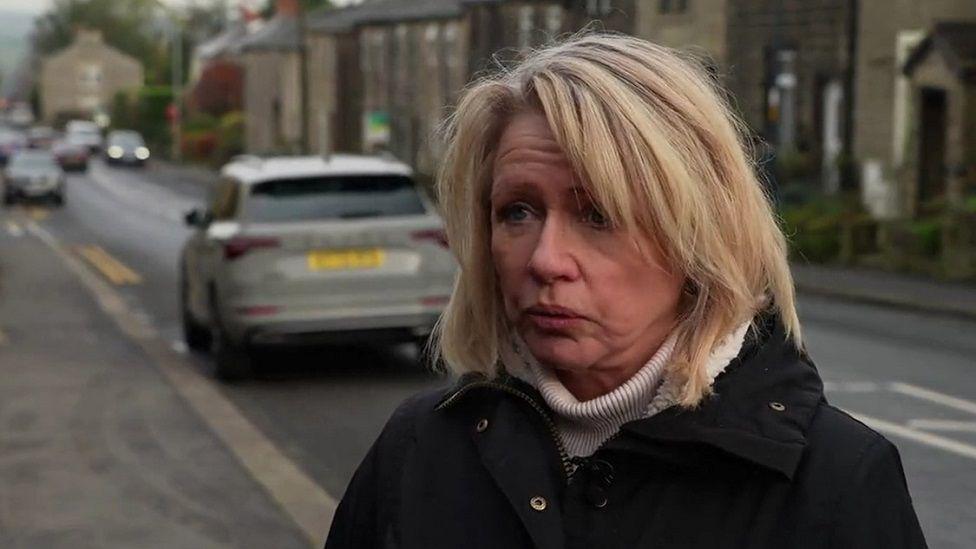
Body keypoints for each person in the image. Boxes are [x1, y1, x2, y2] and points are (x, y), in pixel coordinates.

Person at [324, 34, 927, 549]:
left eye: (599, 214)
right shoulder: (417, 449)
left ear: (699, 236)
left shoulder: (836, 481)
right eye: (517, 212)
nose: (545, 260)